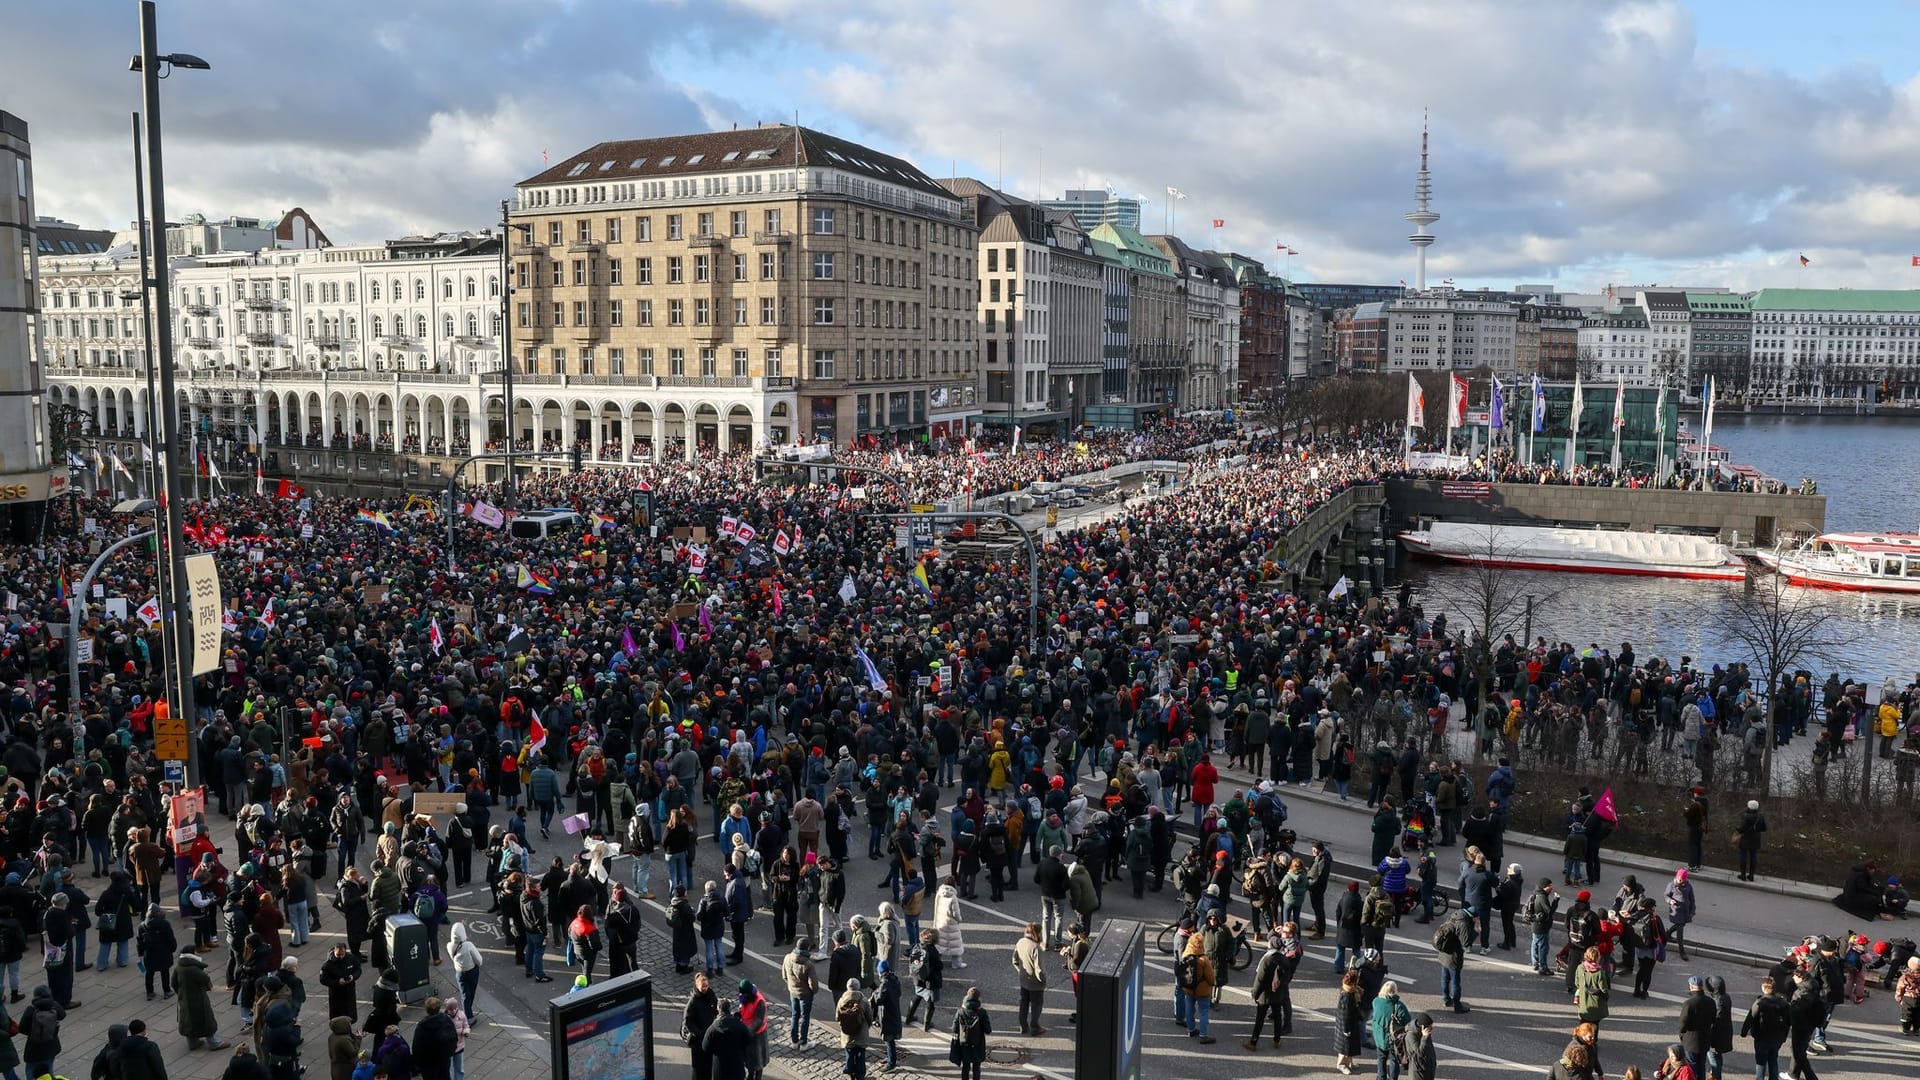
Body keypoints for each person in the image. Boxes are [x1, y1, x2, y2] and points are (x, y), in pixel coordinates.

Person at [1244, 921, 1300, 1051]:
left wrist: (1255, 993)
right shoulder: (1285, 959)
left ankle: (1253, 1042)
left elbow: (1260, 979)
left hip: (1265, 994)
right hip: (1277, 992)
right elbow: (1287, 973)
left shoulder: (1267, 960)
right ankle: (1277, 1040)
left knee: (1260, 1019)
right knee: (1277, 1015)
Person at [176, 945, 229, 1051]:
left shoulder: (178, 967)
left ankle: (193, 1043)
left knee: (189, 1020)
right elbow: (206, 981)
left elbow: (174, 983)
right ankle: (214, 1043)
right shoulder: (194, 969)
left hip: (184, 999)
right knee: (206, 1019)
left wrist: (182, 993)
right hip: (198, 999)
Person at [1177, 930, 1216, 1044]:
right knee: (1203, 1011)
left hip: (1188, 988)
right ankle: (1203, 1035)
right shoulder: (1203, 959)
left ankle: (1191, 1029)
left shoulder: (1185, 955)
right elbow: (1210, 978)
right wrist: (1211, 984)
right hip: (1202, 990)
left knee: (1189, 1009)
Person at [1012, 922, 1048, 1037]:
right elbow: (1039, 969)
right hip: (1035, 983)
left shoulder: (1020, 942)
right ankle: (1035, 1027)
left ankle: (1023, 1025)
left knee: (1023, 1003)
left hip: (1023, 980)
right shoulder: (1036, 948)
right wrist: (1043, 981)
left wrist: (1021, 971)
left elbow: (1015, 960)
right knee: (1036, 1005)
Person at [1369, 980, 1410, 1080]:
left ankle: (1381, 1077)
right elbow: (1407, 1021)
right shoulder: (1399, 1006)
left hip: (1379, 1038)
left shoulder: (1376, 1001)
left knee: (1381, 1059)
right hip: (1393, 1040)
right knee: (1394, 1061)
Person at [1432, 907, 1471, 1013]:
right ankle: (1457, 1005)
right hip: (1453, 957)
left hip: (1443, 954)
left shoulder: (1452, 918)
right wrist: (1475, 931)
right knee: (1455, 982)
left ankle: (1446, 999)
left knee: (1444, 978)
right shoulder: (1462, 924)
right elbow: (1466, 943)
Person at [703, 998, 753, 1080]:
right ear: (729, 1009)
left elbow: (705, 1047)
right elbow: (748, 1040)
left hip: (720, 1067)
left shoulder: (713, 1028)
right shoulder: (739, 1025)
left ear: (718, 1009)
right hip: (736, 1065)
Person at [783, 937, 819, 1048]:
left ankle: (794, 1041)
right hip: (805, 994)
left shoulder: (788, 958)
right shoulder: (808, 964)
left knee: (794, 1015)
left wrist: (791, 986)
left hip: (793, 991)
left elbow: (784, 976)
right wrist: (813, 991)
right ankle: (803, 1042)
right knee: (805, 1017)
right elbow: (813, 984)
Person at [137, 903, 178, 1000]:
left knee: (149, 973)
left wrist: (141, 953)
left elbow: (139, 942)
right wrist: (172, 948)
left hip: (149, 953)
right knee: (165, 972)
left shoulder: (142, 926)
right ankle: (167, 991)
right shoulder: (164, 924)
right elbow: (170, 938)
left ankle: (149, 992)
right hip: (163, 952)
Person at [19, 987, 61, 1080]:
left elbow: (21, 1028)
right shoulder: (54, 1005)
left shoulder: (31, 1009)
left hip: (34, 1048)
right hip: (51, 1045)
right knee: (49, 1068)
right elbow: (62, 1015)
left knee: (30, 1069)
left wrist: (33, 1032)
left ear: (36, 996)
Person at [412, 996, 458, 1080]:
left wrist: (418, 1064)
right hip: (443, 1060)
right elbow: (454, 1038)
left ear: (427, 1010)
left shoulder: (422, 1027)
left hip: (428, 1064)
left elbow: (417, 1048)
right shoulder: (446, 1020)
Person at [834, 977, 871, 1080]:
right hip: (860, 1033)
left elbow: (837, 1017)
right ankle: (860, 1075)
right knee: (860, 1054)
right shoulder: (863, 1001)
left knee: (849, 1053)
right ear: (858, 988)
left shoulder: (841, 1000)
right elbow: (869, 1017)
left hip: (847, 1033)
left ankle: (850, 1071)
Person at [951, 986, 991, 1080]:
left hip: (964, 1045)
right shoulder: (982, 1013)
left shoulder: (961, 1011)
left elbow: (954, 1028)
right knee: (976, 1068)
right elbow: (988, 1030)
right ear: (978, 999)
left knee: (965, 1068)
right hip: (978, 1045)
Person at [1679, 975, 1714, 1077]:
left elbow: (1682, 1023)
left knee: (1691, 1068)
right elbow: (1713, 1018)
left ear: (1691, 986)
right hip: (1705, 1039)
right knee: (1701, 1065)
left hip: (1691, 1041)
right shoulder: (1710, 1001)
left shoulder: (1689, 1003)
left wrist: (1682, 1035)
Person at [872, 959, 903, 1070]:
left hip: (887, 1015)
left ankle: (891, 1062)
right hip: (893, 1012)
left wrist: (875, 993)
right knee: (889, 1039)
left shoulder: (885, 983)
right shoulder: (894, 979)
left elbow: (879, 999)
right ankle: (890, 1057)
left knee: (888, 1039)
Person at [1334, 968, 1366, 1075]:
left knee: (1351, 1046)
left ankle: (1349, 1062)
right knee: (1345, 1047)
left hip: (1351, 1022)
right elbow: (1345, 1015)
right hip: (1347, 1025)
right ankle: (1341, 1064)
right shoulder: (1347, 996)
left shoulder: (1349, 989)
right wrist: (1346, 1030)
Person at [1574, 946, 1610, 1027]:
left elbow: (1577, 983)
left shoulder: (1580, 967)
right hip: (1596, 1005)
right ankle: (1592, 1039)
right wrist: (1606, 997)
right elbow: (1604, 989)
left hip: (1583, 1004)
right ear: (1597, 958)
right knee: (1594, 1026)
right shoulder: (1599, 972)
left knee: (1583, 1026)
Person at [1666, 868, 1696, 963]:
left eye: (1683, 880)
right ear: (1676, 878)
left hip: (1685, 911)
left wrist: (1692, 910)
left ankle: (1667, 934)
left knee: (1681, 925)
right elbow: (1666, 895)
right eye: (1679, 880)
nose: (1681, 882)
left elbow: (1692, 899)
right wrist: (1670, 901)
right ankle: (1681, 951)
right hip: (1676, 912)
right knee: (1680, 930)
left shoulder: (1688, 886)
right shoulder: (1671, 885)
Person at [1734, 801, 1767, 882]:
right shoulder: (1760, 816)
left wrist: (1737, 829)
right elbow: (1764, 828)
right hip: (1756, 839)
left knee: (1743, 856)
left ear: (1748, 806)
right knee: (1753, 856)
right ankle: (1751, 876)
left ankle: (1743, 875)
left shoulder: (1745, 816)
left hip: (1745, 838)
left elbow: (1740, 828)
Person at [329, 1015, 362, 1080]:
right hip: (345, 1069)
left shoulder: (332, 1036)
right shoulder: (344, 1040)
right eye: (349, 1024)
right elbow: (353, 1052)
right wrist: (358, 1038)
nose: (350, 1026)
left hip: (335, 1067)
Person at [1406, 1012, 1437, 1080]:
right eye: (1429, 1027)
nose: (1431, 1029)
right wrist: (1424, 1038)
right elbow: (1420, 1054)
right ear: (1422, 1027)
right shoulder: (1411, 1037)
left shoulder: (1424, 1033)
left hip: (1427, 1068)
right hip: (1419, 1072)